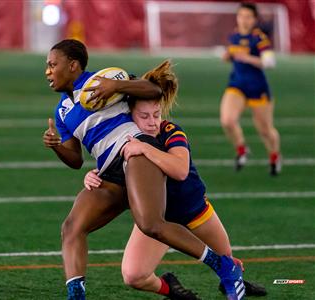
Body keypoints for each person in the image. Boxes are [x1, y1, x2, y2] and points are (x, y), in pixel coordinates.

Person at [43, 39, 244, 300]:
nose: (47, 71)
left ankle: (224, 266)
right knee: (71, 227)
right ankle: (76, 297)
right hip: (108, 172)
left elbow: (151, 89)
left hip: (135, 151)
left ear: (72, 66)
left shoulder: (104, 78)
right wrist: (56, 146)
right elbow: (75, 160)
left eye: (52, 65)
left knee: (151, 224)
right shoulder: (61, 111)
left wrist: (116, 86)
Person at [84, 95, 267, 298]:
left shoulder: (170, 130)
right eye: (144, 116)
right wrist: (93, 176)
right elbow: (112, 175)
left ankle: (233, 282)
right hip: (159, 221)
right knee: (133, 276)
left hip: (195, 211)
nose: (153, 122)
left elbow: (180, 170)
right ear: (128, 116)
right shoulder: (122, 140)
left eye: (156, 114)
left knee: (228, 264)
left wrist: (144, 147)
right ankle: (172, 289)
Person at [220, 2, 281, 175]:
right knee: (227, 120)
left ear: (254, 19)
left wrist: (248, 58)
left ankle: (275, 157)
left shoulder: (259, 37)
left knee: (265, 130)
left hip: (257, 87)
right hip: (237, 85)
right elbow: (233, 55)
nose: (244, 20)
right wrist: (228, 56)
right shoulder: (234, 35)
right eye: (241, 16)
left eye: (248, 17)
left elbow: (270, 62)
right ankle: (241, 149)